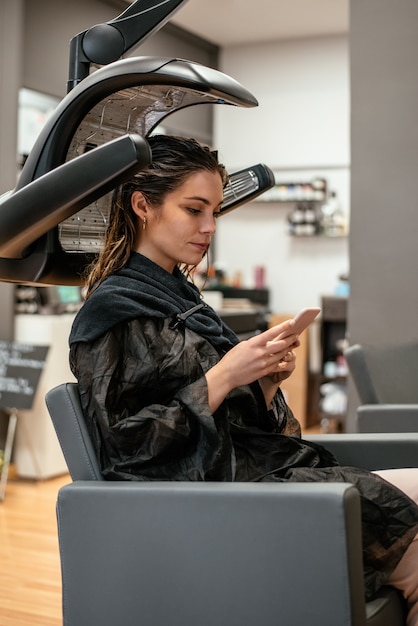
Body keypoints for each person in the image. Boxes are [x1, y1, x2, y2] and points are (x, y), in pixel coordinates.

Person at [69, 134, 418, 623]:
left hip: (250, 474)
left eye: (215, 211)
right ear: (142, 205)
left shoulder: (178, 296)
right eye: (195, 209)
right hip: (219, 500)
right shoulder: (114, 310)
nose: (210, 226)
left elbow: (228, 415)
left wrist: (264, 381)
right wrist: (224, 375)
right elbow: (127, 446)